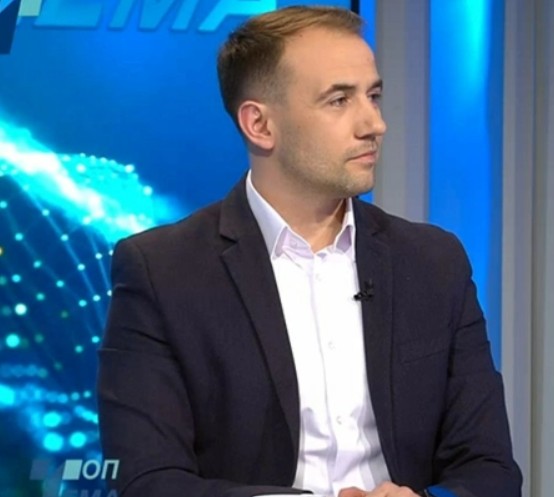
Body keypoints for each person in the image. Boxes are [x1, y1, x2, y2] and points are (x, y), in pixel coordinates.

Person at [97, 6, 521, 497]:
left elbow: (490, 470)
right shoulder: (163, 272)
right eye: (339, 100)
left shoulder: (433, 262)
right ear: (260, 125)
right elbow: (148, 481)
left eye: (373, 96)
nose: (374, 123)